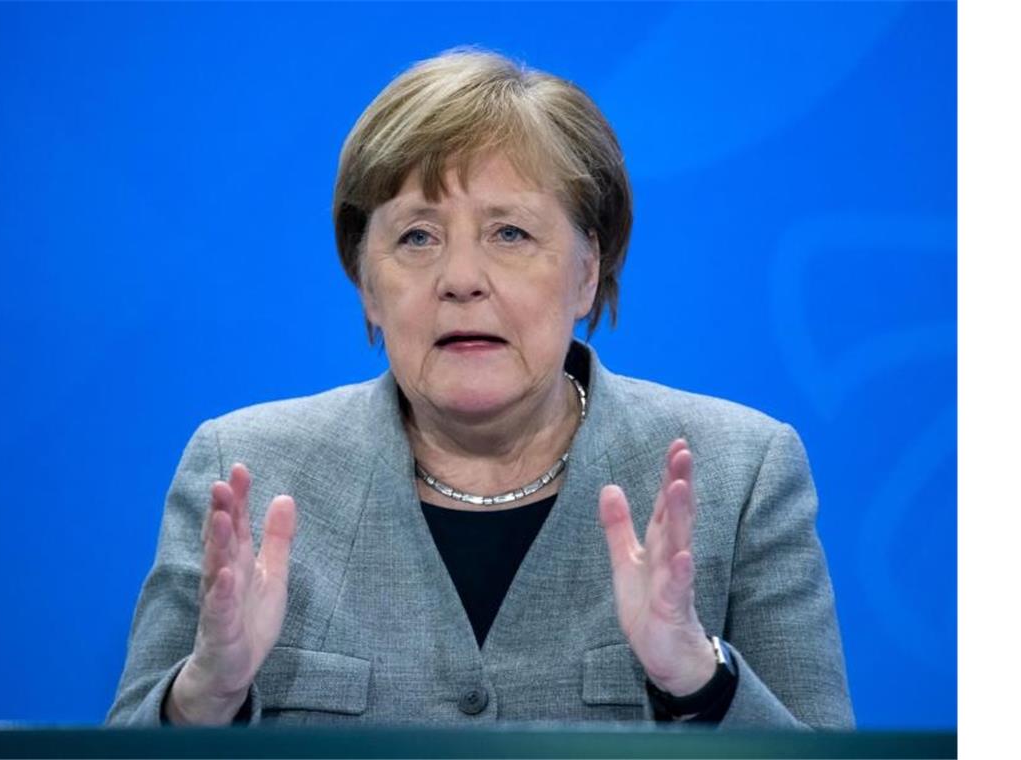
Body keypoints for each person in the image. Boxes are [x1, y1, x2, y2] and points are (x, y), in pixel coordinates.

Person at [106, 49, 853, 728]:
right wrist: (207, 695)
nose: (461, 280)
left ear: (588, 272)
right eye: (417, 238)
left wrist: (699, 679)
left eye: (510, 234)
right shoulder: (245, 472)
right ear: (367, 281)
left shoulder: (739, 474)